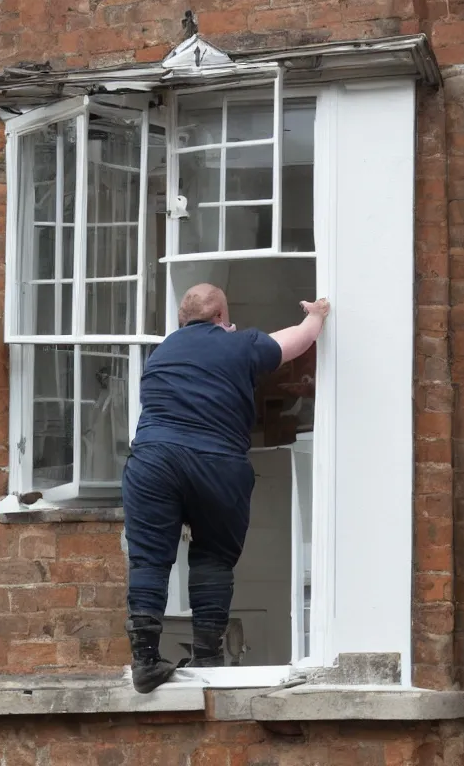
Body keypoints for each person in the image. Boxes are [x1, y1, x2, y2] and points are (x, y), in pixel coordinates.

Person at [122, 283, 330, 693]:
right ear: (220, 316)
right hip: (216, 464)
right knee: (214, 558)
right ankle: (208, 657)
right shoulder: (240, 345)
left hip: (153, 461)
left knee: (149, 560)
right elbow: (297, 341)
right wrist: (317, 314)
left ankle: (146, 660)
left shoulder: (161, 353)